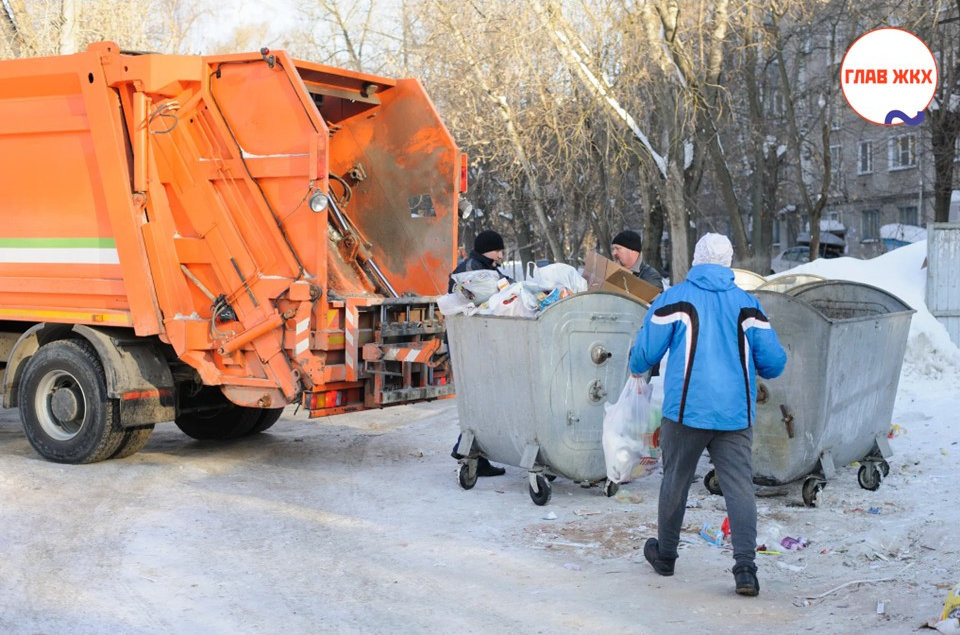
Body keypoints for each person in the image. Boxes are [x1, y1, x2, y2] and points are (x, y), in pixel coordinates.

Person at [628, 233, 787, 597]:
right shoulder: (748, 305)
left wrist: (636, 365)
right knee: (739, 489)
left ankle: (665, 556)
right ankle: (745, 568)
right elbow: (774, 362)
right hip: (735, 415)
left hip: (685, 412)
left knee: (676, 482)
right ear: (727, 263)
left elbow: (645, 353)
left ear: (697, 261)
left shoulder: (675, 298)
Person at [448, 229, 507, 477]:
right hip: (472, 344)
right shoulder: (474, 271)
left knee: (480, 401)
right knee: (480, 401)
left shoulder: (478, 266)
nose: (503, 255)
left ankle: (472, 453)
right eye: (500, 250)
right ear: (489, 250)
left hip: (470, 343)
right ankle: (468, 451)